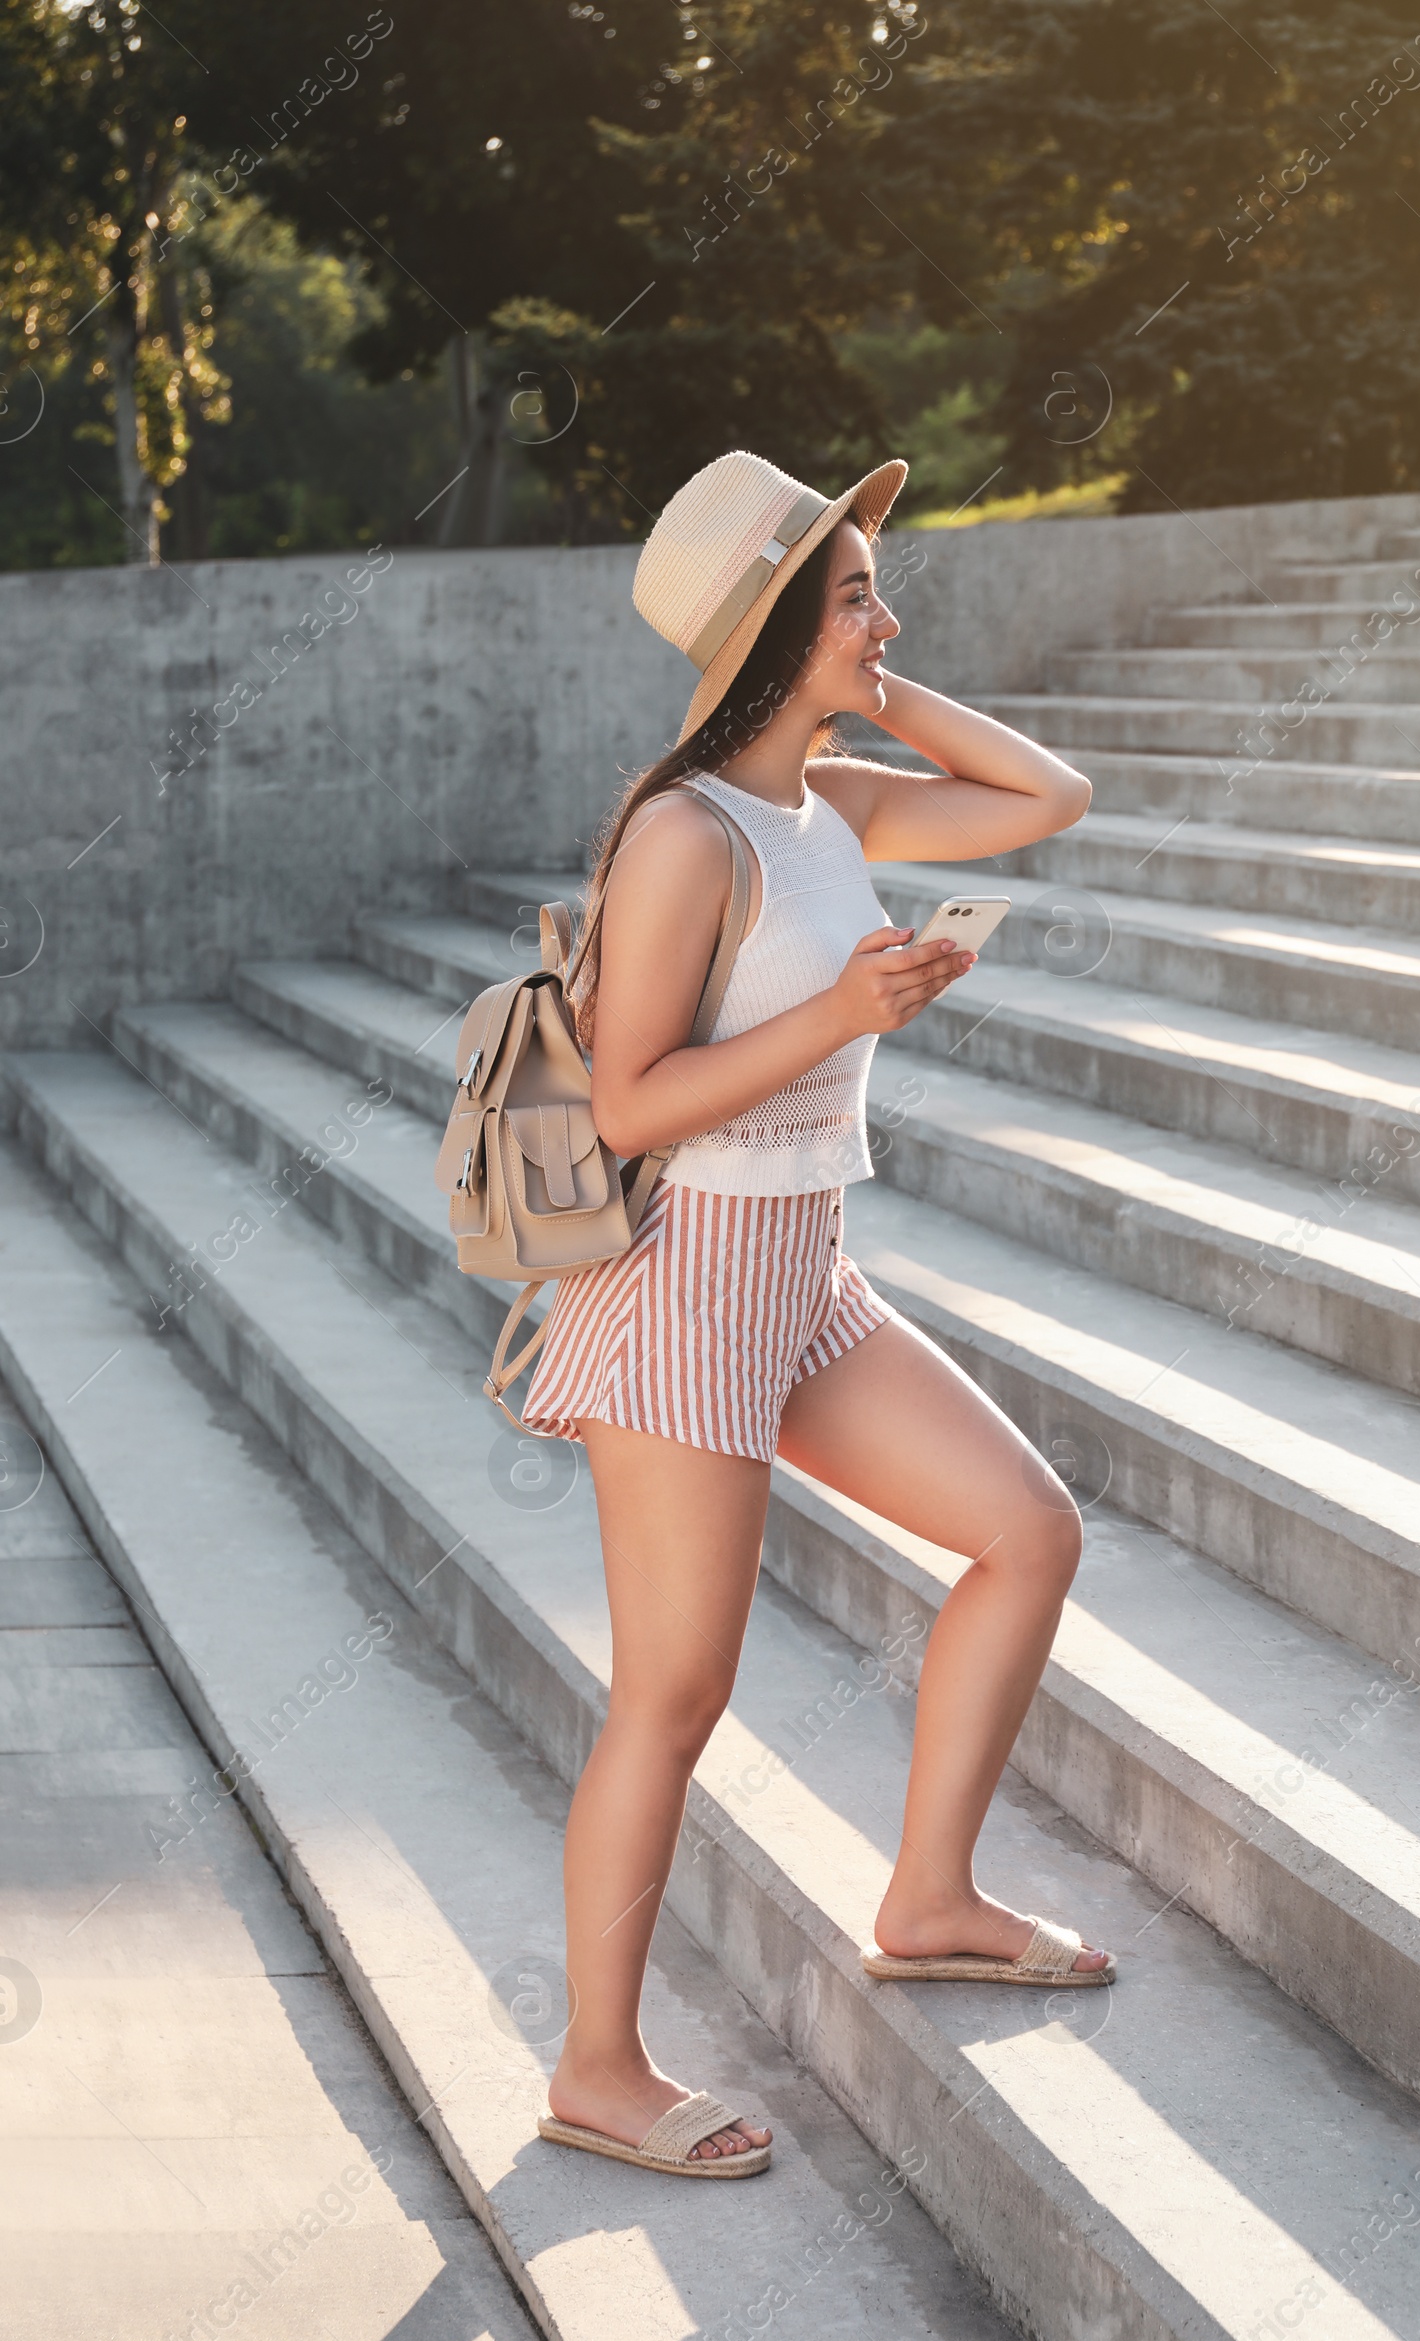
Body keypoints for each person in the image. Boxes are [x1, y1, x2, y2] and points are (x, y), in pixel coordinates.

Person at [525, 450, 1108, 2181]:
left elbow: (1047, 795)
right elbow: (629, 1103)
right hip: (686, 1280)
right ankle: (598, 2066)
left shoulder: (827, 806)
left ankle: (929, 1894)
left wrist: (855, 673)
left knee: (1026, 1530)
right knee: (677, 1692)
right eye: (858, 592)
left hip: (806, 1276)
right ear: (774, 628)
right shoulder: (682, 835)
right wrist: (843, 1007)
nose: (890, 612)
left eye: (875, 586)